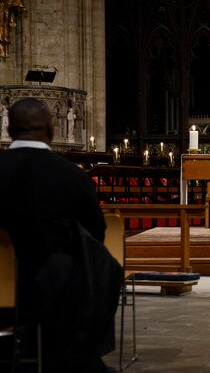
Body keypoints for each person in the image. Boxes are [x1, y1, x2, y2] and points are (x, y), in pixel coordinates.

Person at [0, 98, 119, 373]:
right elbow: (95, 236)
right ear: (51, 130)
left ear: (9, 128)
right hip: (53, 301)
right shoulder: (72, 177)